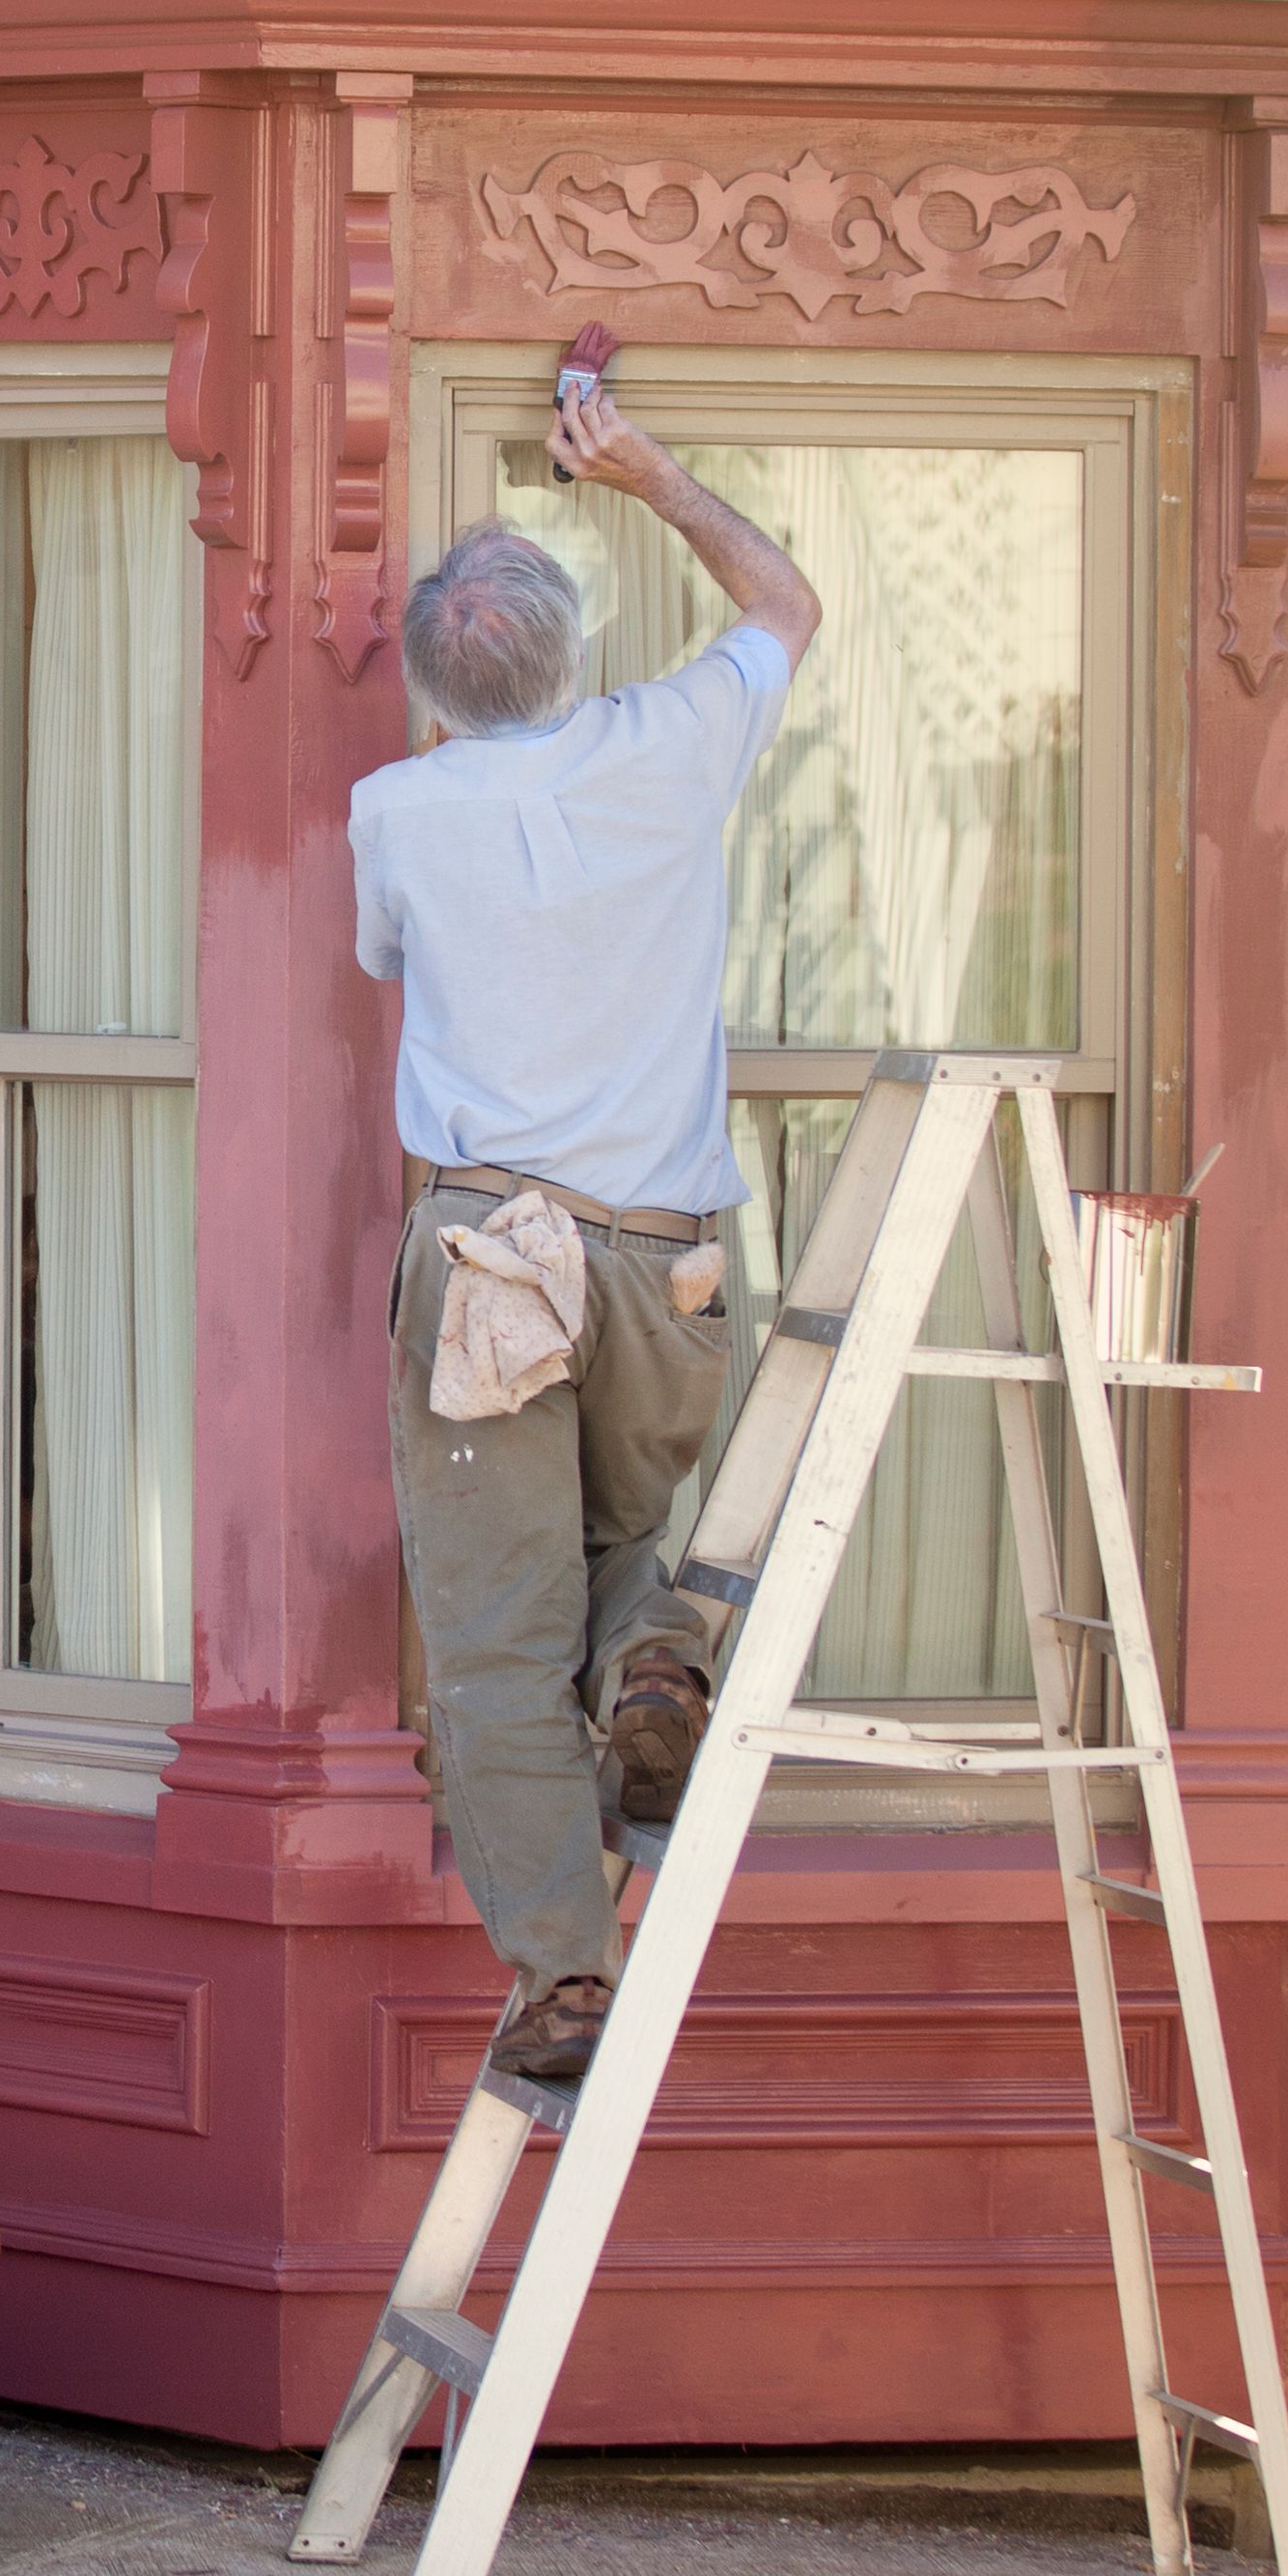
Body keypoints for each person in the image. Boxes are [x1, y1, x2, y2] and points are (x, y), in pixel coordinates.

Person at [350, 389, 821, 2086]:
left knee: (494, 1631)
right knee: (628, 1539)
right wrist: (648, 469)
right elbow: (786, 606)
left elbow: (386, 958)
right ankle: (652, 1666)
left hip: (489, 1266)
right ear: (569, 659)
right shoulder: (670, 743)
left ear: (433, 688)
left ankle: (565, 1972)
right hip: (667, 1255)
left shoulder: (398, 810)